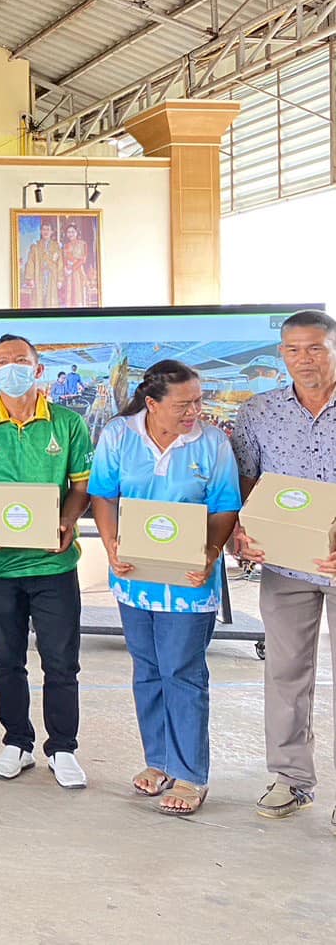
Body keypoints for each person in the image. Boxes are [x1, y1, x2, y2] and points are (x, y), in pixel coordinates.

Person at [88, 360, 241, 817]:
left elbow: (225, 505)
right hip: (134, 578)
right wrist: (112, 545)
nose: (195, 410)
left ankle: (191, 773)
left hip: (189, 582)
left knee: (182, 670)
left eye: (198, 400)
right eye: (184, 404)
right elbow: (103, 494)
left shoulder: (211, 443)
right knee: (148, 668)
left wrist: (211, 553)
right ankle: (158, 761)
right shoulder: (119, 434)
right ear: (152, 403)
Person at [0, 334, 92, 788]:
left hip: (54, 564)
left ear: (38, 370)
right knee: (6, 659)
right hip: (0, 567)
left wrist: (67, 521)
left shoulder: (69, 424)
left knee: (60, 662)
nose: (10, 369)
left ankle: (63, 748)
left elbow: (80, 487)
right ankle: (16, 742)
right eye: (2, 363)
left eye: (20, 361)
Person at [230, 309, 336, 832]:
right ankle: (291, 778)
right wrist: (243, 534)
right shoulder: (259, 412)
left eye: (315, 348)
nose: (303, 359)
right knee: (286, 672)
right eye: (293, 350)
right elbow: (245, 482)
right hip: (286, 565)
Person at [22, 219, 62, 309]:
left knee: (51, 301)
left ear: (52, 232)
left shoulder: (56, 246)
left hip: (52, 277)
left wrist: (60, 279)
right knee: (38, 300)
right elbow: (30, 263)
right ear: (40, 231)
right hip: (38, 276)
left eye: (48, 229)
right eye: (44, 229)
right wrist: (30, 278)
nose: (46, 232)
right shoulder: (35, 246)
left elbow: (60, 264)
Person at [61, 225, 91, 307]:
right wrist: (66, 269)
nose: (70, 234)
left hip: (79, 272)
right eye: (68, 232)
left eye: (72, 232)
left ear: (76, 233)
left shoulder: (83, 244)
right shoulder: (66, 246)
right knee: (70, 296)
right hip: (69, 274)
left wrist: (72, 268)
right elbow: (64, 260)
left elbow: (83, 259)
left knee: (79, 295)